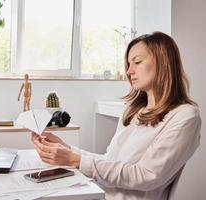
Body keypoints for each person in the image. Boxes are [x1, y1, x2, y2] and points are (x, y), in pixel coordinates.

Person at [31, 32, 201, 200]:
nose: (129, 71)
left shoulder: (184, 116)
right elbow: (110, 161)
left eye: (137, 62)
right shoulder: (134, 111)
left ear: (163, 62)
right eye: (128, 64)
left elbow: (147, 175)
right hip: (101, 195)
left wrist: (75, 160)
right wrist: (67, 149)